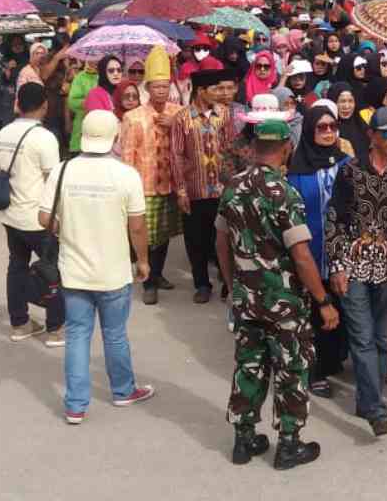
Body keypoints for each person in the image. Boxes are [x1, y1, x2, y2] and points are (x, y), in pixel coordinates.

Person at [216, 118, 338, 469]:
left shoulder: (233, 187)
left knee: (249, 366)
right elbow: (301, 256)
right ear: (287, 148)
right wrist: (323, 301)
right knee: (291, 369)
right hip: (284, 303)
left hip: (247, 298)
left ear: (253, 147)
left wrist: (233, 285)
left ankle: (244, 440)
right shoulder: (285, 194)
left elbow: (221, 242)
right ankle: (289, 444)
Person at [39, 110, 155, 424]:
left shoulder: (63, 170)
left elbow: (44, 217)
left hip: (74, 270)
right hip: (113, 271)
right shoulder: (126, 174)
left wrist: (67, 228)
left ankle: (75, 405)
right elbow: (137, 226)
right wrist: (143, 260)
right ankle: (123, 390)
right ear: (115, 137)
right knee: (115, 334)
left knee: (77, 334)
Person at [324, 107, 387, 435]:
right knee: (362, 338)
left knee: (381, 339)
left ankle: (366, 400)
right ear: (371, 135)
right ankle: (377, 410)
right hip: (354, 265)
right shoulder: (350, 171)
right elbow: (334, 219)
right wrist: (337, 265)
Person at [287, 106, 352, 400]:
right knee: (315, 311)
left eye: (332, 127)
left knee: (341, 309)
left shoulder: (347, 163)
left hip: (343, 253)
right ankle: (315, 371)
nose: (328, 133)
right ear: (310, 131)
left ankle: (332, 359)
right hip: (311, 252)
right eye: (321, 128)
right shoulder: (298, 170)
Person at [0, 83, 66, 345]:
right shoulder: (44, 137)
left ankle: (20, 324)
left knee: (16, 266)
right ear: (45, 105)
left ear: (18, 104)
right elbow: (52, 181)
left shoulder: (2, 133)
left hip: (10, 214)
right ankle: (56, 328)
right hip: (36, 216)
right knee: (55, 270)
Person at [120, 46, 185, 305]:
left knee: (164, 233)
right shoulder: (133, 117)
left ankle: (157, 274)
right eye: (156, 86)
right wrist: (127, 187)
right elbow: (127, 156)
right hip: (144, 185)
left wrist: (176, 125)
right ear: (147, 88)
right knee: (146, 235)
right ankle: (148, 280)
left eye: (165, 86)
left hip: (170, 183)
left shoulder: (178, 112)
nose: (161, 91)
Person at [171, 61, 237, 304]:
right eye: (215, 89)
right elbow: (176, 155)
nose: (220, 93)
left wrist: (232, 185)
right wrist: (180, 190)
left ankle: (227, 282)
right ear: (201, 91)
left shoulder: (224, 115)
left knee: (224, 239)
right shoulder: (182, 118)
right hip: (194, 190)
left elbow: (231, 149)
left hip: (221, 189)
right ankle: (201, 284)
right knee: (196, 240)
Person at [66, 59, 98, 155]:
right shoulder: (80, 77)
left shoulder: (108, 76)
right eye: (92, 57)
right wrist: (89, 102)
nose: (95, 61)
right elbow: (72, 101)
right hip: (82, 128)